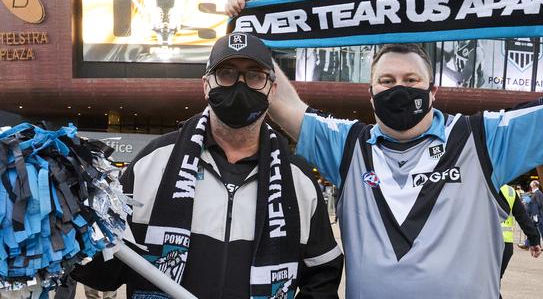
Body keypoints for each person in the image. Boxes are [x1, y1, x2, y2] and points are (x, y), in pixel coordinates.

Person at [227, 0, 543, 299]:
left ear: (433, 91)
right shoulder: (348, 145)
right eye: (387, 82)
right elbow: (282, 103)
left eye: (411, 80)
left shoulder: (482, 137)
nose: (399, 89)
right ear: (370, 93)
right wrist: (246, 35)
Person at [72, 33, 343, 298]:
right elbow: (105, 266)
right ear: (205, 85)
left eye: (254, 75)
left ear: (272, 89)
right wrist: (69, 218)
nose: (240, 85)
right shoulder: (152, 162)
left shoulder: (298, 178)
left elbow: (323, 273)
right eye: (226, 73)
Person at [499, 184, 541, 298]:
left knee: (483, 284)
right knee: (494, 282)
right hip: (505, 245)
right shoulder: (509, 191)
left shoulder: (474, 183)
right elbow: (523, 217)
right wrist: (534, 240)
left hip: (483, 244)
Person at [520, 180, 543, 252]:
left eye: (531, 185)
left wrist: (531, 204)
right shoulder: (535, 193)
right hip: (536, 215)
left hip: (538, 216)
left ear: (534, 185)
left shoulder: (538, 193)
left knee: (541, 231)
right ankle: (527, 244)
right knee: (533, 230)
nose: (530, 186)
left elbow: (539, 204)